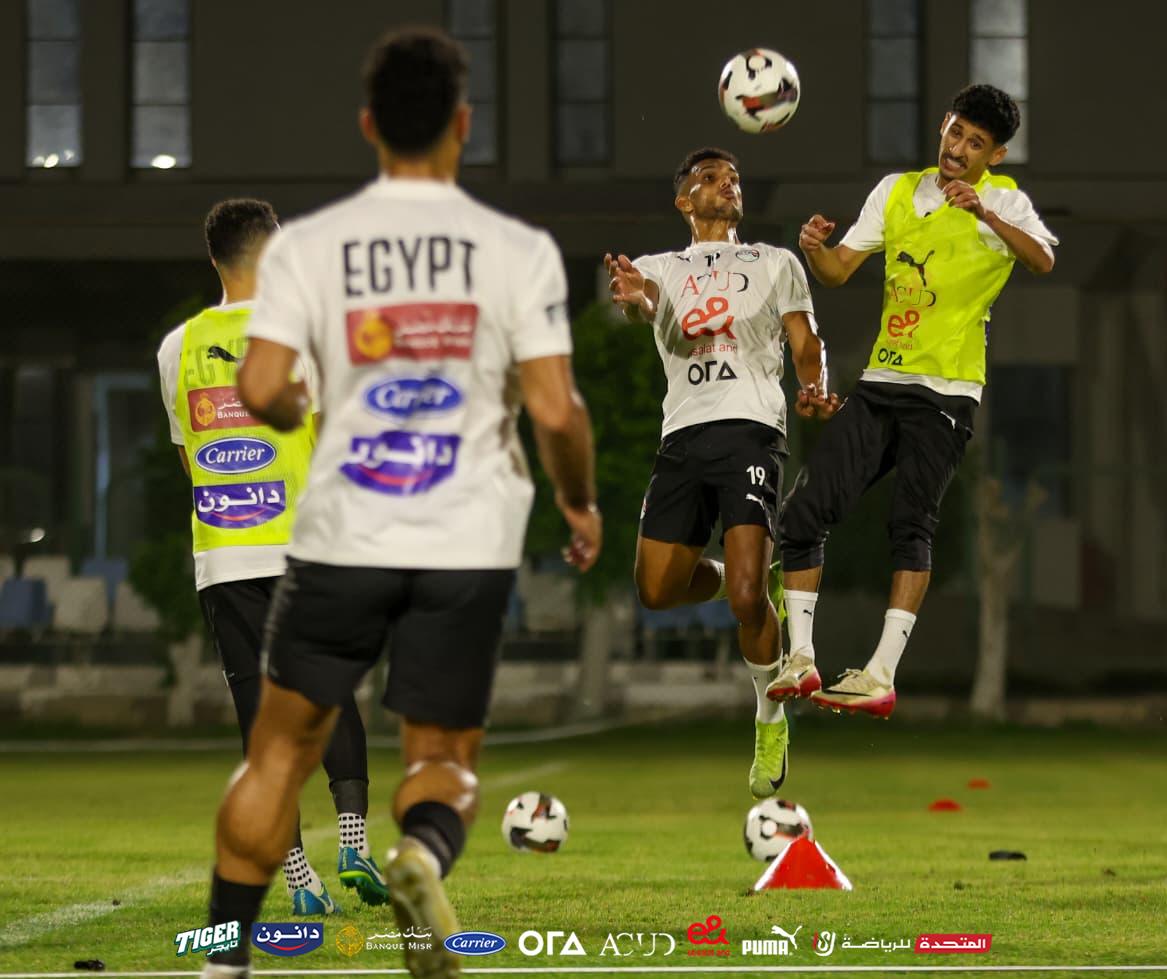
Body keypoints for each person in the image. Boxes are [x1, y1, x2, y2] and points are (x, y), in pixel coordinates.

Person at [199, 29, 599, 979]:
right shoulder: (518, 251)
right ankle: (419, 852)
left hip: (344, 531)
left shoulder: (308, 248)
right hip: (464, 538)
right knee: (442, 755)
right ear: (463, 124)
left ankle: (223, 965)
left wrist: (296, 409)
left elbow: (263, 387)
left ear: (368, 125)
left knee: (275, 756)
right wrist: (578, 504)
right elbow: (556, 410)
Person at [772, 84, 1058, 717]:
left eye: (976, 143)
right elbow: (839, 271)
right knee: (802, 514)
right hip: (881, 383)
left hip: (947, 392)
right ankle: (802, 658)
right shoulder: (896, 191)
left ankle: (880, 674)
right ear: (943, 126)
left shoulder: (1005, 201)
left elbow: (1042, 260)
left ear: (995, 155)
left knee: (910, 523)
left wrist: (986, 215)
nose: (959, 149)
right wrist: (815, 250)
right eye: (955, 132)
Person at [157, 199, 387, 917]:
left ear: (214, 258)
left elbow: (189, 458)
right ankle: (352, 841)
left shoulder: (177, 347)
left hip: (224, 557)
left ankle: (298, 879)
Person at [605, 147, 837, 800]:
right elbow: (646, 303)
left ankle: (769, 717)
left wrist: (815, 384)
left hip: (751, 429)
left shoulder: (774, 262)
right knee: (656, 589)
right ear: (684, 199)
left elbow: (805, 341)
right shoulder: (659, 267)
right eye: (710, 178)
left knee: (744, 599)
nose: (726, 185)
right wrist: (634, 298)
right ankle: (749, 574)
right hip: (682, 435)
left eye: (733, 178)